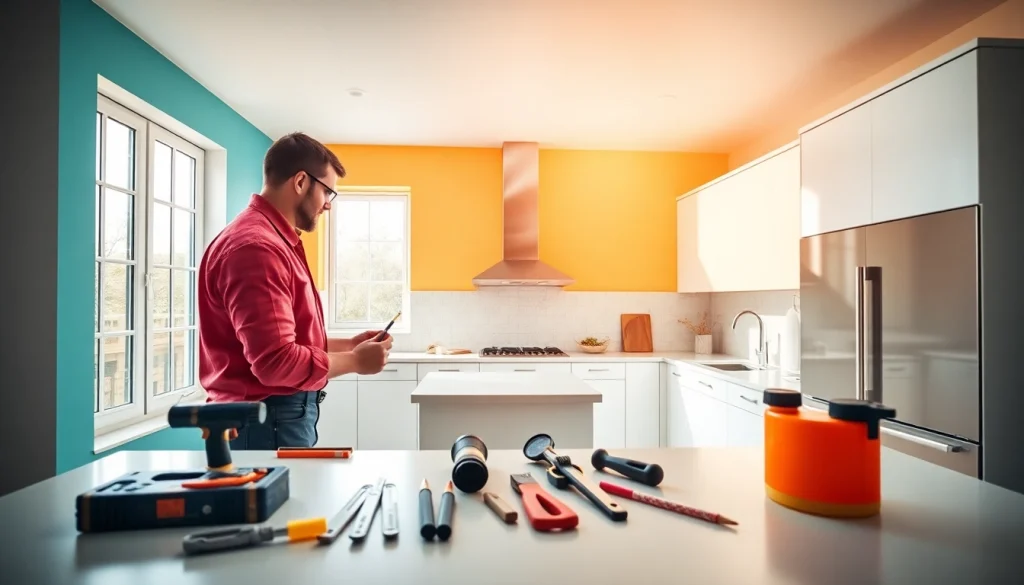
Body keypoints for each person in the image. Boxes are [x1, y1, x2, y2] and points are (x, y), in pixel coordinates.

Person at [197, 132, 393, 450]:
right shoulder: (258, 248)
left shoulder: (269, 240)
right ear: (301, 182)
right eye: (328, 192)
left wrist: (350, 345)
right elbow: (276, 362)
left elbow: (283, 341)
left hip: (271, 418)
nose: (328, 205)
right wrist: (356, 362)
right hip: (268, 419)